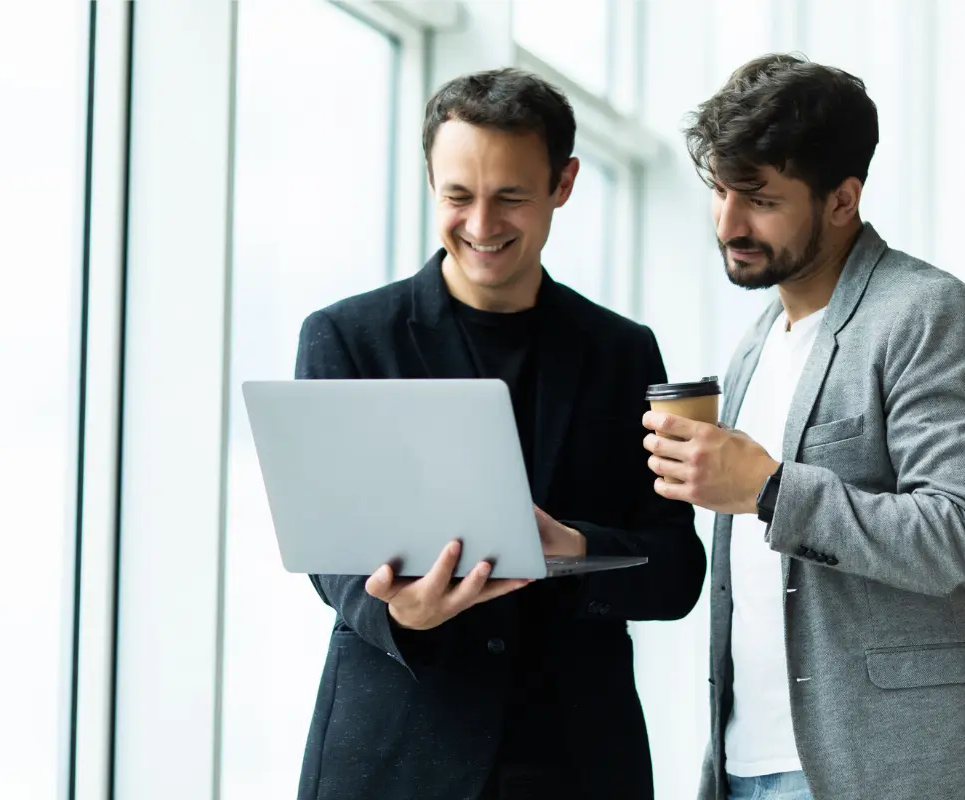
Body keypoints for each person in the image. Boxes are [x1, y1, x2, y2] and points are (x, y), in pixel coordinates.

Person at [293, 67, 706, 800]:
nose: (481, 226)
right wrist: (400, 611)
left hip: (577, 759)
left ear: (564, 183)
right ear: (429, 179)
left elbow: (677, 569)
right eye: (457, 196)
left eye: (511, 197)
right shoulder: (347, 338)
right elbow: (332, 556)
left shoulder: (622, 352)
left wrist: (575, 551)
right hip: (396, 755)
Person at [641, 54, 965, 800]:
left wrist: (766, 490)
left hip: (891, 770)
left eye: (759, 198)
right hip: (746, 765)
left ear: (841, 199)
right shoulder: (759, 340)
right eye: (720, 191)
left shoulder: (929, 316)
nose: (729, 222)